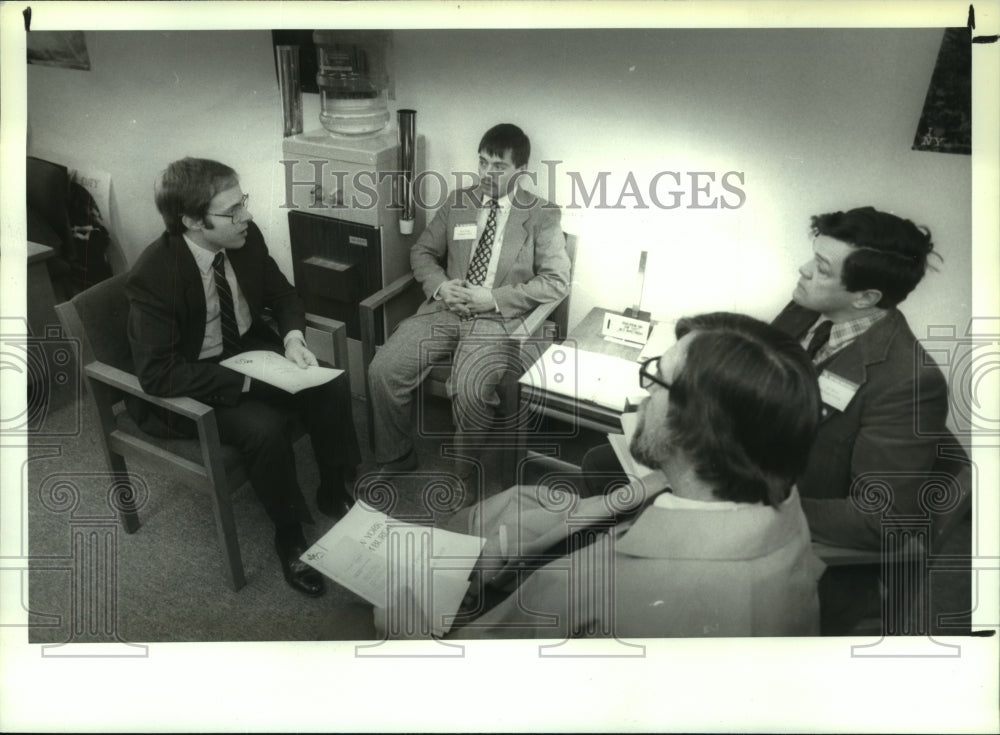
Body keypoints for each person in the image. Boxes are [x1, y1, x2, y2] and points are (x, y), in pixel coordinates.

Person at [581, 207, 950, 632]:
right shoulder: (805, 311)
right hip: (729, 478)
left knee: (612, 513)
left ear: (865, 298)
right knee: (603, 460)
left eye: (822, 268)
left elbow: (881, 519)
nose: (804, 270)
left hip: (783, 534)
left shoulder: (908, 381)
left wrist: (744, 503)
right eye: (813, 257)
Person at [442, 313, 825, 638]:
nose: (641, 398)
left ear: (695, 426)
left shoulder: (618, 599)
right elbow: (595, 518)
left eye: (655, 380)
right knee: (514, 505)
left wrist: (408, 631)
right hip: (549, 553)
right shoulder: (772, 496)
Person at [126, 158, 361, 597]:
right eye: (232, 211)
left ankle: (332, 487)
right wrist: (249, 384)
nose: (246, 217)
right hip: (194, 378)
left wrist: (292, 338)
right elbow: (157, 374)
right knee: (264, 428)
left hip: (249, 348)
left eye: (243, 203)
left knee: (328, 382)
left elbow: (283, 294)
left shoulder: (245, 240)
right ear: (193, 221)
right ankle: (288, 534)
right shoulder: (154, 277)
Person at [367, 123, 571, 482]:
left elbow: (556, 282)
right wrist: (442, 286)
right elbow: (423, 251)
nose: (487, 173)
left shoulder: (543, 214)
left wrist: (491, 298)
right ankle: (396, 456)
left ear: (520, 172)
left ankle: (464, 478)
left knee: (471, 388)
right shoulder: (459, 202)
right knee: (383, 369)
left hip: (497, 319)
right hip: (445, 309)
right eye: (482, 162)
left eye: (498, 166)